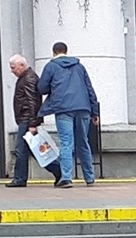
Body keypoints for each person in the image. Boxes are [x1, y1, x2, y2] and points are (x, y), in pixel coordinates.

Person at [37, 42, 100, 188]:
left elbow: (42, 88)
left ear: (54, 52)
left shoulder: (51, 66)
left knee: (66, 143)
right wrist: (94, 111)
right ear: (66, 51)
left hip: (63, 108)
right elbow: (89, 88)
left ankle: (66, 177)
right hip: (83, 107)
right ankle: (89, 178)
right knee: (83, 142)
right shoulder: (79, 66)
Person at [7, 54, 62, 187]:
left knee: (23, 150)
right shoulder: (27, 77)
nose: (12, 70)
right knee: (34, 149)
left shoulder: (28, 78)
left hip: (27, 120)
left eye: (13, 67)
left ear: (21, 65)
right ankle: (57, 170)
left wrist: (33, 123)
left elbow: (34, 102)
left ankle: (20, 179)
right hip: (26, 119)